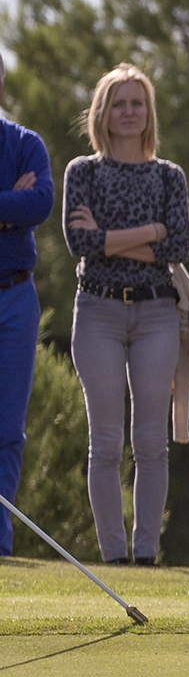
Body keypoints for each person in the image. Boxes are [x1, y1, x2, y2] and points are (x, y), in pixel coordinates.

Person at [59, 65, 189, 565]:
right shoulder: (82, 172)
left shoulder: (169, 175)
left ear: (148, 112)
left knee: (152, 441)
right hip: (98, 312)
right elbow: (81, 244)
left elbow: (179, 245)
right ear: (102, 113)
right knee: (106, 441)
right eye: (119, 103)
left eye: (138, 103)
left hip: (157, 313)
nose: (129, 112)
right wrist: (151, 231)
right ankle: (115, 557)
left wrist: (117, 239)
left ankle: (147, 553)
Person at [0, 85, 52, 558]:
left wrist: (16, 209)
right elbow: (20, 206)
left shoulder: (24, 143)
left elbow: (39, 204)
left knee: (8, 431)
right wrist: (6, 207)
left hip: (15, 295)